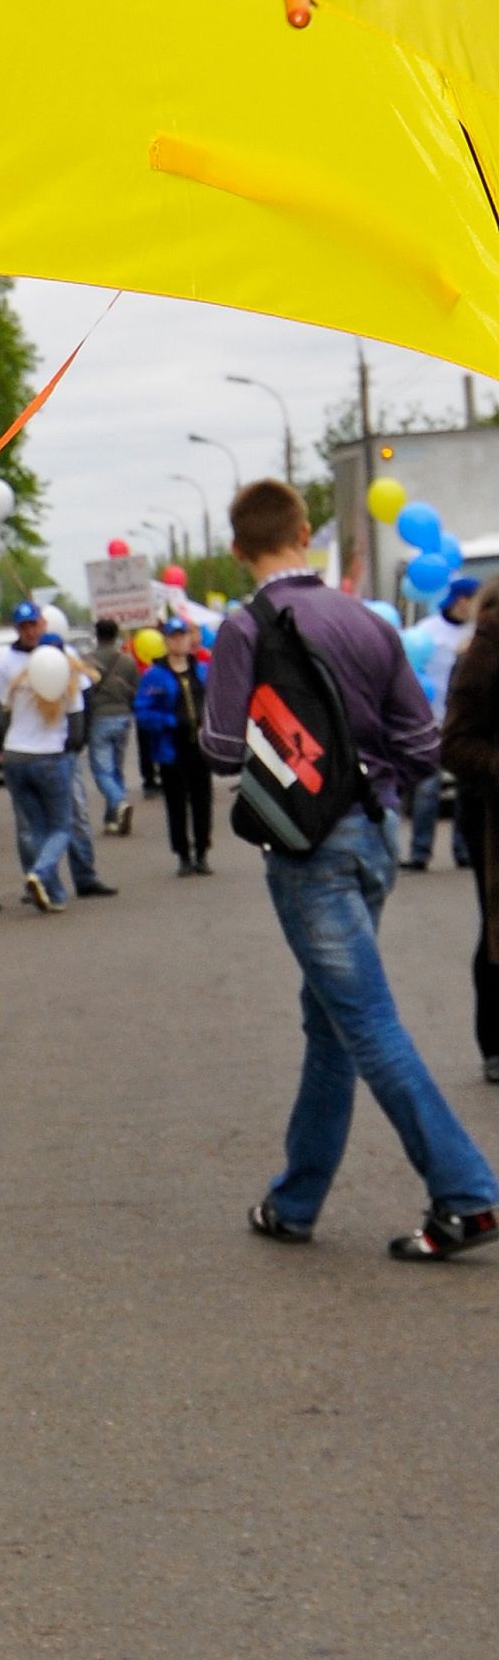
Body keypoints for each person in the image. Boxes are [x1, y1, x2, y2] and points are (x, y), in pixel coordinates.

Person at [203, 476, 499, 1261]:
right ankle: (294, 1202)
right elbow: (420, 743)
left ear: (236, 549)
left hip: (305, 849)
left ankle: (466, 1194)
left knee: (363, 1021)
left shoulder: (243, 629)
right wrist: (375, 786)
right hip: (372, 835)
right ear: (304, 532)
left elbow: (222, 749)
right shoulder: (369, 621)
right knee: (329, 1020)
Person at [0, 629, 115, 913]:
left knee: (37, 827)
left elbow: (0, 721)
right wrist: (67, 752)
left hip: (14, 759)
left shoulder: (19, 681)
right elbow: (76, 731)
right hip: (50, 759)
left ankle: (55, 894)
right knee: (61, 826)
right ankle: (40, 872)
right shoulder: (68, 681)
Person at [438, 579, 499, 1084]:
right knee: (497, 927)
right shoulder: (486, 649)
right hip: (490, 813)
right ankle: (495, 1042)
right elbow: (455, 744)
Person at [401, 575, 481, 869]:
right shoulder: (427, 631)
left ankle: (464, 850)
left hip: (463, 721)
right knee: (427, 789)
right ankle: (420, 852)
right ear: (462, 601)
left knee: (466, 789)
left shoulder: (478, 632)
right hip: (430, 719)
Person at [132, 620, 216, 874]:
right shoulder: (154, 675)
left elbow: (216, 702)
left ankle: (202, 852)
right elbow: (142, 712)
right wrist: (170, 722)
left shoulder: (202, 670)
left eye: (182, 636)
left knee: (203, 801)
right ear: (166, 641)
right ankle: (183, 855)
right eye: (174, 637)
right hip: (171, 749)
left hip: (200, 747)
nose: (179, 641)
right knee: (176, 804)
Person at [85, 617, 142, 835]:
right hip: (123, 717)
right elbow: (136, 689)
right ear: (116, 634)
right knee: (116, 770)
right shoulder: (127, 661)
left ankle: (119, 802)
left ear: (96, 635)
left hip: (99, 718)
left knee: (102, 771)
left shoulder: (88, 661)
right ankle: (112, 819)